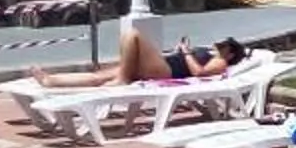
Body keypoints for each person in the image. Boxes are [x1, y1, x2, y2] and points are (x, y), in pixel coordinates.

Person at [34, 28, 247, 90]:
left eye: (226, 44)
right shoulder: (211, 54)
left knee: (132, 35)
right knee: (98, 76)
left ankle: (124, 79)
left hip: (167, 71)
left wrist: (185, 52)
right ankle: (51, 81)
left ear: (230, 53)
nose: (220, 43)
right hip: (164, 65)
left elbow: (199, 73)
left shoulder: (220, 62)